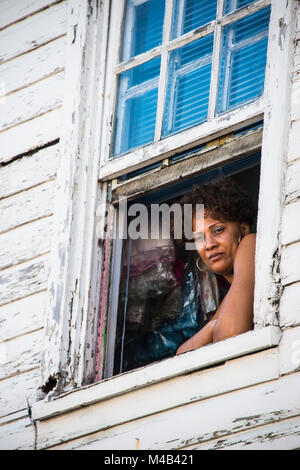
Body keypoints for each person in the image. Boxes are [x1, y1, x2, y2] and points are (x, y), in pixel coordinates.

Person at [176, 177, 256, 355]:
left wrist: (213, 327)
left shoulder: (251, 243)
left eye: (218, 230)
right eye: (199, 238)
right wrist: (214, 324)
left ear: (243, 229)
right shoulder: (232, 292)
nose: (209, 244)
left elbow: (229, 334)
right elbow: (182, 355)